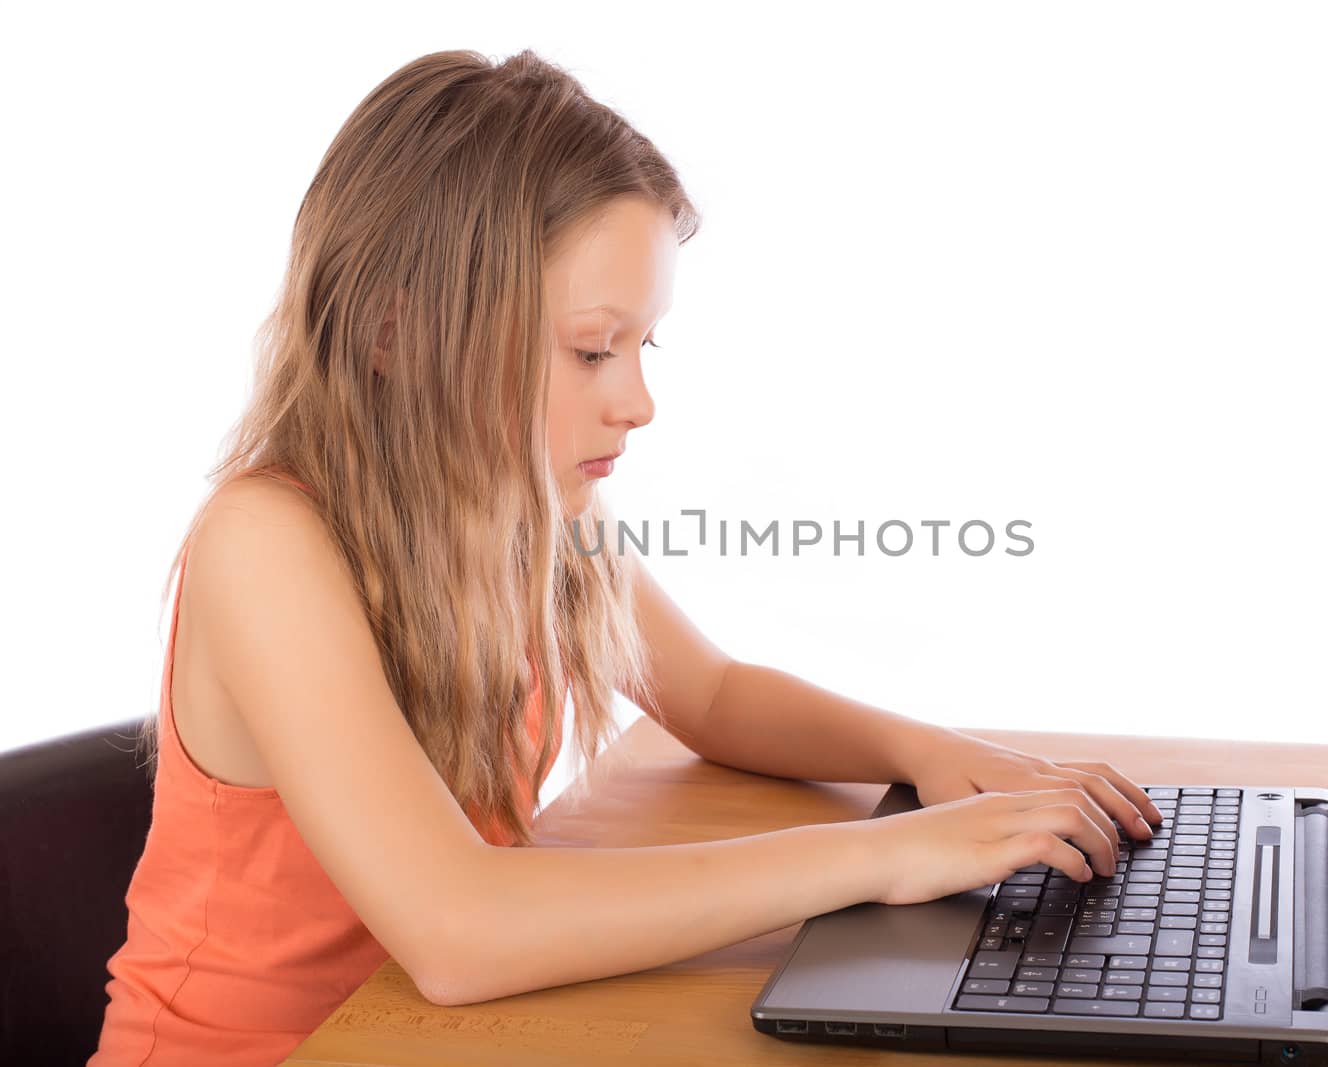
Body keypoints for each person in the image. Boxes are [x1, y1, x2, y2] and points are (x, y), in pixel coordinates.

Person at [89, 47, 1164, 1066]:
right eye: (592, 349)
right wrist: (885, 855)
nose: (637, 401)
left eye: (643, 347)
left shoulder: (535, 505)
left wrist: (928, 758)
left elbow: (711, 693)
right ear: (395, 331)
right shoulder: (265, 543)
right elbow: (457, 928)